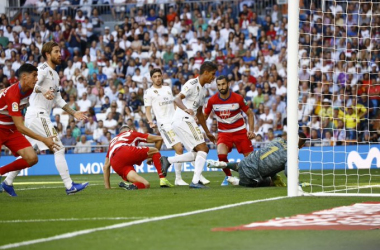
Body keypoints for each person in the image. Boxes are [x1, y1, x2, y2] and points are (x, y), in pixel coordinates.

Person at [3, 42, 89, 196]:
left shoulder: (55, 75)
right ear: (48, 54)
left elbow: (58, 99)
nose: (60, 54)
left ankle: (8, 182)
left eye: (60, 51)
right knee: (58, 147)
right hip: (38, 114)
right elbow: (32, 84)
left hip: (36, 115)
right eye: (56, 51)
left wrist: (73, 112)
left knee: (30, 153)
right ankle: (69, 186)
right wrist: (42, 90)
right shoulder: (41, 70)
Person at [0, 64, 59, 196]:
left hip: (10, 129)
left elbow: (36, 88)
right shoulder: (12, 96)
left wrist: (44, 91)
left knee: (32, 158)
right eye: (34, 76)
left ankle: (2, 176)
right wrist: (43, 139)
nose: (37, 79)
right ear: (25, 77)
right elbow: (21, 126)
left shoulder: (28, 87)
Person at [160, 62, 217, 189]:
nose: (214, 77)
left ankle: (168, 161)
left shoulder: (203, 90)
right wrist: (186, 109)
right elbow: (177, 99)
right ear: (206, 72)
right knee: (203, 149)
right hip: (183, 119)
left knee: (197, 152)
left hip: (185, 121)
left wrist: (207, 132)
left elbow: (200, 114)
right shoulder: (192, 84)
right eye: (213, 74)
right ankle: (195, 181)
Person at [204, 75, 255, 186]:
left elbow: (250, 114)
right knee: (221, 156)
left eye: (223, 84)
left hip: (240, 131)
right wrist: (198, 119)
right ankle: (229, 177)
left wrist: (251, 130)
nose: (221, 87)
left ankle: (254, 176)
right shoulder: (212, 100)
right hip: (223, 132)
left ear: (228, 84)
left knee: (251, 160)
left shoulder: (238, 98)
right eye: (219, 85)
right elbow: (204, 116)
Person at [207, 132, 307, 188]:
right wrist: (297, 183)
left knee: (242, 164)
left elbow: (271, 156)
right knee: (268, 183)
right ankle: (238, 182)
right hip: (253, 174)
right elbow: (288, 172)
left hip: (248, 160)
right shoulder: (292, 155)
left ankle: (225, 164)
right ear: (302, 146)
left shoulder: (278, 140)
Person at [144, 68, 188, 186]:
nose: (157, 78)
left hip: (175, 121)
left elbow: (173, 104)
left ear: (162, 76)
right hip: (164, 124)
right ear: (151, 78)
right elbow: (147, 110)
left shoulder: (168, 89)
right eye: (155, 76)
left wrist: (180, 117)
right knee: (178, 148)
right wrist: (150, 121)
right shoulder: (149, 92)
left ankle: (189, 177)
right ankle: (178, 178)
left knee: (185, 148)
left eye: (159, 76)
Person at [103, 125, 174, 190]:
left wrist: (108, 188)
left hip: (115, 163)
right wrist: (152, 157)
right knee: (155, 151)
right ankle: (162, 179)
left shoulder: (112, 142)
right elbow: (159, 139)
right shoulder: (131, 133)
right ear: (129, 129)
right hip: (124, 151)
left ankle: (131, 186)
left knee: (145, 184)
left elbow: (106, 166)